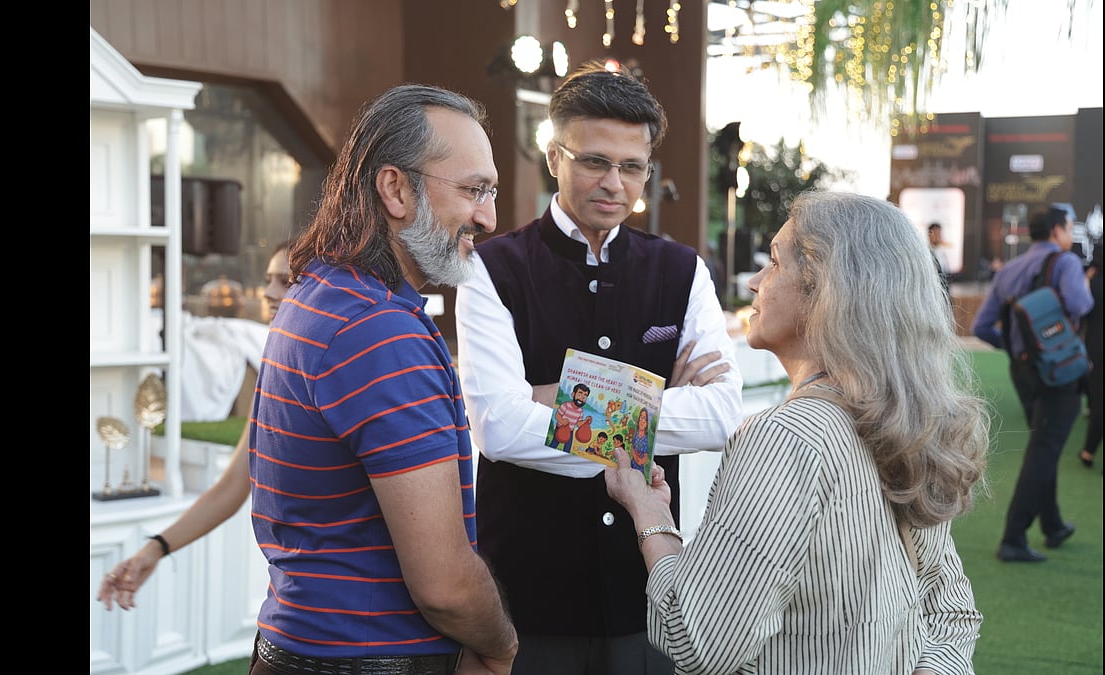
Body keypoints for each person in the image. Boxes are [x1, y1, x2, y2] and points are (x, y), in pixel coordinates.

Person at [605, 190, 989, 673]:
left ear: (824, 292)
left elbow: (699, 640)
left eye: (773, 263)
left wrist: (648, 515)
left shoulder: (785, 440)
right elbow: (951, 614)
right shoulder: (906, 423)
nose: (754, 283)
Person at [455, 60, 743, 674]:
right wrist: (658, 402)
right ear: (555, 156)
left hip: (649, 590)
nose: (615, 182)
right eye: (594, 161)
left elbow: (720, 415)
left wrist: (550, 398)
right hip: (527, 593)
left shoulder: (682, 271)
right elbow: (500, 430)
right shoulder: (492, 269)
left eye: (631, 167)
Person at [247, 84, 517, 675]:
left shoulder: (319, 292)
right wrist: (502, 648)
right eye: (474, 190)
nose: (489, 217)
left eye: (490, 191)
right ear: (395, 188)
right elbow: (444, 583)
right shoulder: (379, 331)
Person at [97, 240, 292, 612]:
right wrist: (153, 550)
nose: (268, 292)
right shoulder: (275, 371)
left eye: (286, 280)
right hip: (288, 607)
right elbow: (233, 485)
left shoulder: (347, 369)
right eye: (268, 279)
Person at [971, 206, 1093, 562]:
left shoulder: (1009, 269)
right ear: (1057, 230)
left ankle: (1052, 524)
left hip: (1023, 371)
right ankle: (1013, 537)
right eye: (1069, 228)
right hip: (1059, 371)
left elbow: (982, 327)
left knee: (1044, 442)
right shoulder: (1065, 263)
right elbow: (1081, 304)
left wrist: (1017, 348)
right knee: (1045, 449)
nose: (1070, 234)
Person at [1079, 234, 1103, 468]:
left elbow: (1082, 311)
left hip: (1095, 347)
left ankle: (1089, 451)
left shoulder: (1091, 282)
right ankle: (1088, 451)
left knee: (1098, 403)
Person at [928, 222, 952, 299]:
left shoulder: (942, 252)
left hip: (945, 293)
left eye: (939, 233)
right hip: (932, 295)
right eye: (936, 233)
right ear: (930, 234)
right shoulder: (926, 253)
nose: (938, 236)